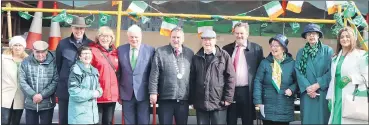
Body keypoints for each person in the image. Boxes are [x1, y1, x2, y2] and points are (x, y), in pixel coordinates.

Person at [149, 27, 194, 124]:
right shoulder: (161, 52)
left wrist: (193, 96)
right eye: (173, 37)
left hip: (183, 99)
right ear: (170, 38)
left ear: (183, 39)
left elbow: (193, 76)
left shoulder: (190, 53)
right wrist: (153, 92)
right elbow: (154, 74)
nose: (176, 40)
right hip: (166, 98)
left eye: (178, 37)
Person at [190, 30, 236, 125]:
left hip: (219, 103)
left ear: (215, 41)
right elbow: (192, 80)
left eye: (210, 39)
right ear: (202, 41)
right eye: (205, 39)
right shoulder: (196, 57)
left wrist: (228, 98)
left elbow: (230, 78)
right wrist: (192, 100)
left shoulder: (224, 56)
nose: (207, 42)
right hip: (201, 103)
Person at [222, 22, 264, 125]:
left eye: (242, 33)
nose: (239, 36)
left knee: (247, 120)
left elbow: (260, 72)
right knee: (230, 120)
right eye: (237, 33)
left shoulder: (256, 49)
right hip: (231, 91)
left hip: (247, 91)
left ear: (247, 34)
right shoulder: (226, 49)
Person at [326, 27, 368, 124]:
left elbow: (366, 76)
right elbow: (333, 79)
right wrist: (329, 98)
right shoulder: (335, 57)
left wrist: (351, 78)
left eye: (347, 36)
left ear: (353, 38)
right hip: (336, 96)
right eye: (342, 37)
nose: (344, 39)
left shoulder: (361, 55)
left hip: (352, 95)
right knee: (335, 120)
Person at [55, 16, 93, 124]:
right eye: (76, 28)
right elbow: (58, 65)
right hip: (65, 90)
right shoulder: (62, 44)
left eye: (81, 28)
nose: (79, 31)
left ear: (84, 29)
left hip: (83, 90)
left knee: (81, 120)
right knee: (64, 119)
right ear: (72, 28)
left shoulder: (91, 44)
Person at [253, 34, 297, 125]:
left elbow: (298, 82)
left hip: (285, 105)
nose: (273, 48)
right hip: (267, 105)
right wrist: (257, 101)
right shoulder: (265, 63)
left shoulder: (292, 63)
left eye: (276, 46)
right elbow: (258, 81)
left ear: (284, 48)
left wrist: (292, 89)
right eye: (272, 45)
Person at [295, 23, 333, 124]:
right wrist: (308, 87)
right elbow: (298, 71)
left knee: (322, 119)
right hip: (307, 93)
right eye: (308, 34)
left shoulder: (328, 51)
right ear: (305, 37)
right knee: (308, 119)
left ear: (318, 35)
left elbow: (331, 72)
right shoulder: (301, 52)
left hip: (321, 92)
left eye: (314, 33)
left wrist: (318, 85)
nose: (311, 36)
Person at [117, 24, 155, 125]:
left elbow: (153, 73)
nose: (134, 39)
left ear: (141, 36)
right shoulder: (120, 50)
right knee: (129, 122)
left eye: (136, 37)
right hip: (126, 93)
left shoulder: (150, 50)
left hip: (143, 93)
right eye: (131, 37)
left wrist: (153, 92)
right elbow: (118, 72)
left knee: (143, 121)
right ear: (128, 37)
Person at [19, 40, 58, 124]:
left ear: (47, 51)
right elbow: (22, 81)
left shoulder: (54, 63)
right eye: (37, 52)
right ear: (33, 50)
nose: (40, 55)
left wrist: (41, 95)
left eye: (43, 52)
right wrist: (33, 95)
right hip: (30, 103)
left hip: (47, 103)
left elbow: (55, 81)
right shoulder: (25, 62)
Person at [90, 26, 119, 125]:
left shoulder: (116, 52)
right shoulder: (92, 51)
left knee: (108, 121)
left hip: (111, 94)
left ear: (112, 38)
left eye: (107, 36)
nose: (105, 38)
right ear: (98, 38)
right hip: (97, 93)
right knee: (95, 122)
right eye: (102, 36)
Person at [68, 46, 103, 124]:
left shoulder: (94, 70)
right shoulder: (76, 70)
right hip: (79, 116)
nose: (87, 56)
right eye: (84, 53)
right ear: (80, 56)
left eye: (89, 53)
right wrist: (92, 93)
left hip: (92, 116)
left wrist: (99, 91)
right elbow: (74, 92)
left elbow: (99, 87)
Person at [1, 36, 28, 125]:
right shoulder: (3, 59)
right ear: (11, 47)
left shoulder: (27, 60)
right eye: (15, 45)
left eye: (20, 45)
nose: (17, 48)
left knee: (15, 122)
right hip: (5, 94)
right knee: (4, 121)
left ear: (24, 47)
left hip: (20, 95)